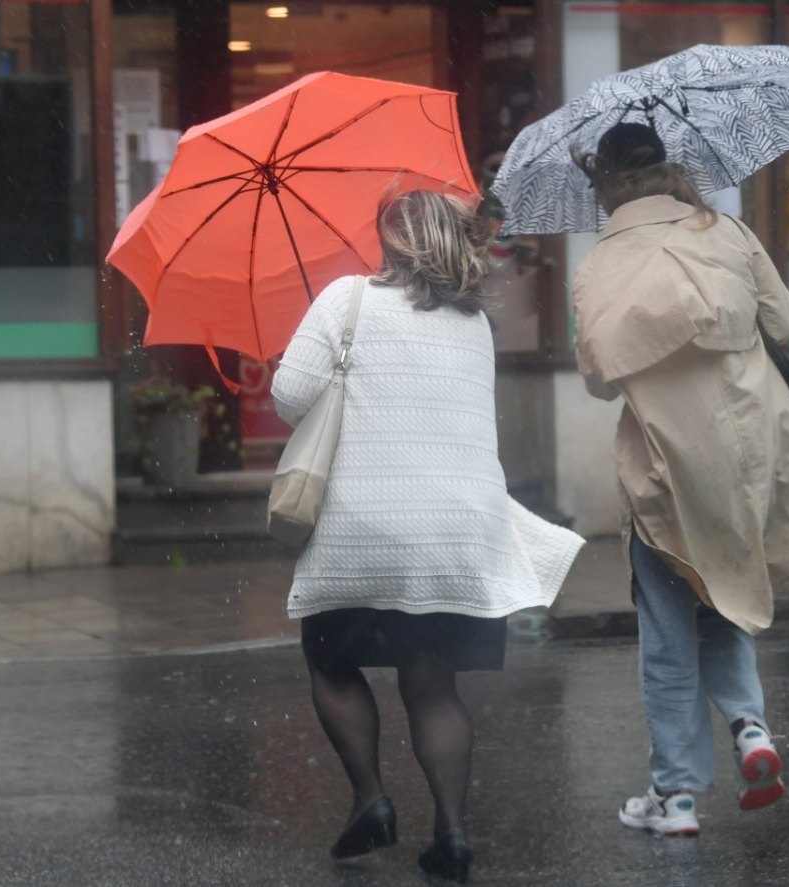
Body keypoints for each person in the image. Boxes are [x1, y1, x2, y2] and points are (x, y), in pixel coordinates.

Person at [271, 190, 584, 881]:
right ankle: (453, 832)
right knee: (433, 684)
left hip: (365, 527)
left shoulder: (345, 298)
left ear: (390, 239)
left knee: (330, 661)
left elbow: (290, 396)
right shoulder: (472, 322)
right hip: (457, 530)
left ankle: (370, 798)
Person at [570, 123, 789, 836]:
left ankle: (678, 795)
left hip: (666, 464)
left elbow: (600, 378)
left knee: (668, 634)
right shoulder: (725, 232)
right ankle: (752, 729)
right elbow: (786, 321)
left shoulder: (602, 263)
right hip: (751, 452)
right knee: (727, 595)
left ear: (608, 184)